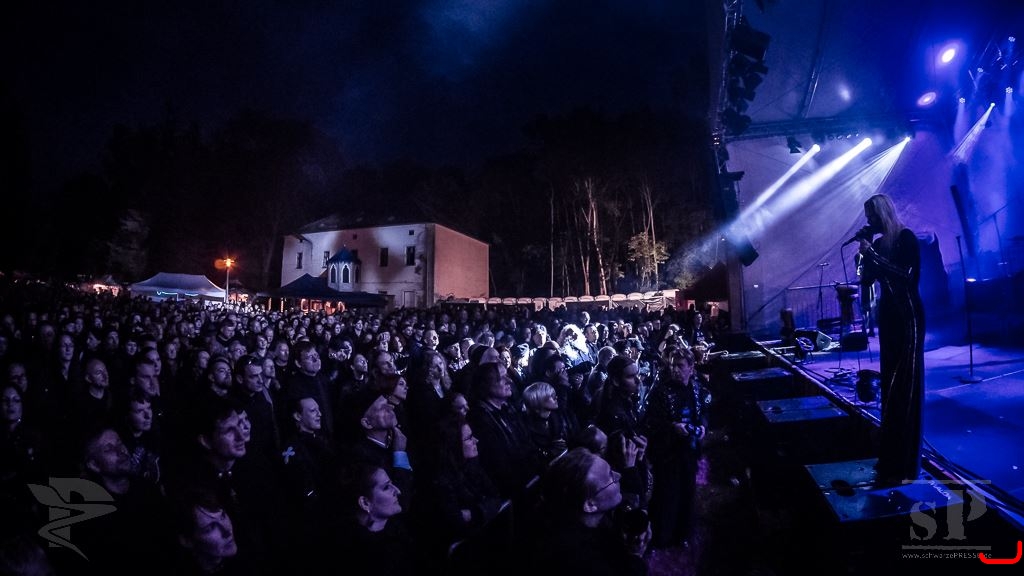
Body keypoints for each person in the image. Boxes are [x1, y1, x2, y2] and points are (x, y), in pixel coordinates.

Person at [856, 193, 925, 486]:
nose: (869, 221)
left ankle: (907, 462)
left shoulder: (905, 238)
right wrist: (863, 254)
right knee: (889, 384)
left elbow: (906, 275)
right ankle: (891, 456)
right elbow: (866, 279)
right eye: (867, 217)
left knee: (905, 384)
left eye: (872, 216)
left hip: (908, 316)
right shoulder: (880, 244)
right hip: (888, 317)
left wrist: (872, 255)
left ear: (883, 213)